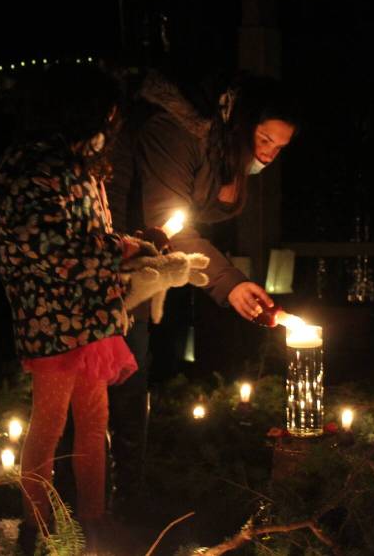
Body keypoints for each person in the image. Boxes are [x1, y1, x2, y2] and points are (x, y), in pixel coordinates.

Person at [105, 65, 297, 506]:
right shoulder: (175, 131)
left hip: (142, 256)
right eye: (264, 140)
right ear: (241, 120)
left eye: (280, 148)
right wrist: (229, 283)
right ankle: (109, 503)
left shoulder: (217, 146)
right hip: (115, 256)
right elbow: (167, 223)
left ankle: (121, 492)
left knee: (132, 365)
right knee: (120, 367)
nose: (268, 155)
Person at [0, 64, 152, 538]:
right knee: (50, 423)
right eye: (107, 115)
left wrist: (123, 246)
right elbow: (54, 247)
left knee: (93, 419)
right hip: (52, 319)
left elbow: (84, 234)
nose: (110, 125)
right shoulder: (33, 167)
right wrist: (118, 251)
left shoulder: (76, 163)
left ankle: (94, 519)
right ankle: (41, 527)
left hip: (89, 317)